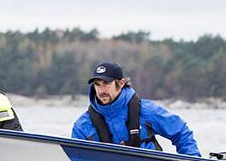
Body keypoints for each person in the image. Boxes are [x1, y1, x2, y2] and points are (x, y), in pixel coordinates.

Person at [72, 62, 200, 156]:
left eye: (106, 83)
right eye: (97, 84)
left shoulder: (147, 111)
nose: (101, 90)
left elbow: (181, 132)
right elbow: (75, 160)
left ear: (121, 84)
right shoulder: (82, 125)